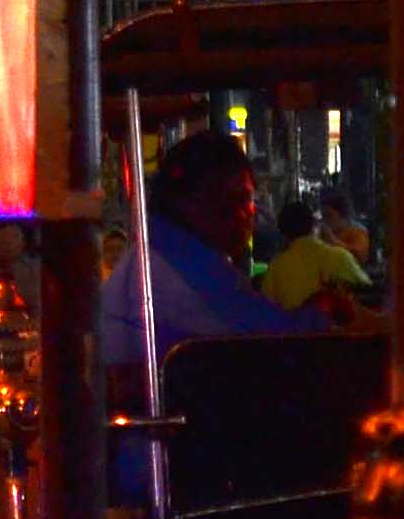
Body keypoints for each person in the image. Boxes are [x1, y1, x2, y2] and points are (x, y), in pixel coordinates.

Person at [102, 130, 321, 381]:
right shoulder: (180, 264)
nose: (250, 214)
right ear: (197, 202)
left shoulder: (160, 251)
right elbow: (268, 337)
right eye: (241, 199)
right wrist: (324, 314)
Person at [260, 195, 373, 320]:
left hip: (292, 336)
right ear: (314, 225)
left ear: (283, 234)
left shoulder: (276, 266)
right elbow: (367, 289)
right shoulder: (339, 257)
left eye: (329, 216)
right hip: (336, 336)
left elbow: (265, 308)